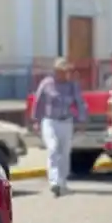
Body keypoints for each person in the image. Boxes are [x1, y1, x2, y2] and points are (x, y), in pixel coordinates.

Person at [32, 57, 88, 197]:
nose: (64, 74)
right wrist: (36, 120)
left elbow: (79, 103)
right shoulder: (47, 84)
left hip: (66, 122)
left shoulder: (72, 85)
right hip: (50, 121)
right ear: (55, 71)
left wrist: (81, 120)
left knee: (64, 152)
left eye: (66, 71)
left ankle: (62, 181)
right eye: (61, 71)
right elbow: (38, 102)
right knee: (53, 148)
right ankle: (54, 182)